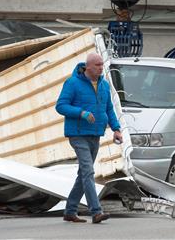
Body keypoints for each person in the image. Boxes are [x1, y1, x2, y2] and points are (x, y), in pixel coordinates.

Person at [55, 52, 123, 224]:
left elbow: (108, 109)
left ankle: (70, 211)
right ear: (88, 66)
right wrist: (82, 113)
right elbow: (61, 106)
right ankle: (96, 211)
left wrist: (116, 129)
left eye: (102, 65)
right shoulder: (72, 83)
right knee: (88, 171)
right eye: (98, 65)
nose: (101, 68)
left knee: (83, 174)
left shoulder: (104, 85)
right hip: (77, 134)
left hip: (95, 134)